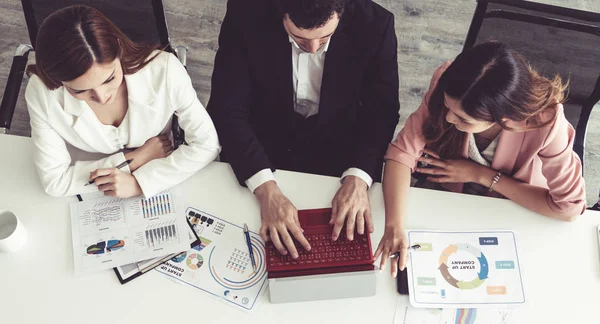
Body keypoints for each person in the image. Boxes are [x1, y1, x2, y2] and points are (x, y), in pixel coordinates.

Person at [374, 41, 586, 277]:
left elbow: (568, 208)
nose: (450, 119)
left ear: (505, 117)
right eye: (447, 107)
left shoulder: (547, 121)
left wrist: (480, 175)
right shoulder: (449, 81)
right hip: (448, 202)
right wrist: (393, 225)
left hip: (511, 211)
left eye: (464, 118)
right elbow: (402, 153)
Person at [208, 0, 399, 259]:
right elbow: (226, 108)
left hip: (340, 147)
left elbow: (381, 111)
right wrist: (265, 189)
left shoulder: (377, 24)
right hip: (261, 144)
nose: (312, 49)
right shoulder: (245, 12)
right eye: (298, 37)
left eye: (325, 37)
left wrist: (359, 176)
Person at [25, 5, 220, 198]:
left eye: (109, 79)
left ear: (119, 50)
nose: (102, 97)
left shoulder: (165, 71)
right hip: (145, 158)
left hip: (155, 164)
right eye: (79, 90)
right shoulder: (41, 93)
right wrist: (133, 161)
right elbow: (54, 181)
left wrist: (140, 183)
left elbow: (207, 144)